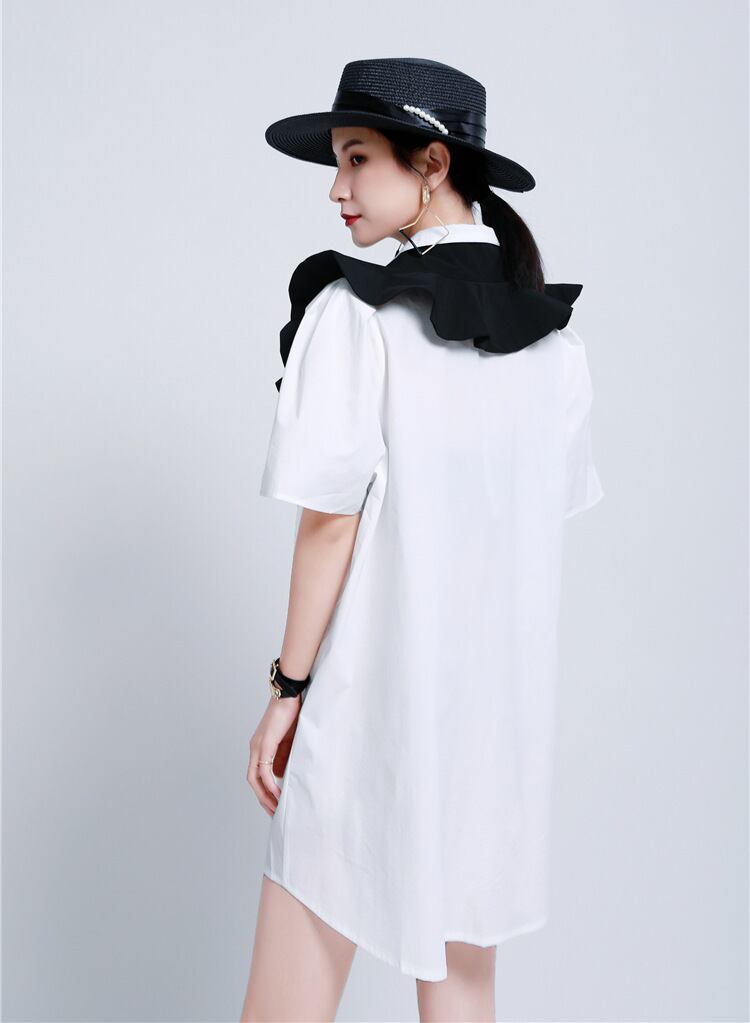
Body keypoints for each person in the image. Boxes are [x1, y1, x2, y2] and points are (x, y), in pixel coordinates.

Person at [240, 57, 604, 1022]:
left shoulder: (354, 314)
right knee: (464, 1000)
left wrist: (287, 691)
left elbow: (329, 524)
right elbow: (526, 528)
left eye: (357, 157)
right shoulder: (555, 345)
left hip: (368, 713)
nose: (336, 187)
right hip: (492, 740)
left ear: (432, 163)